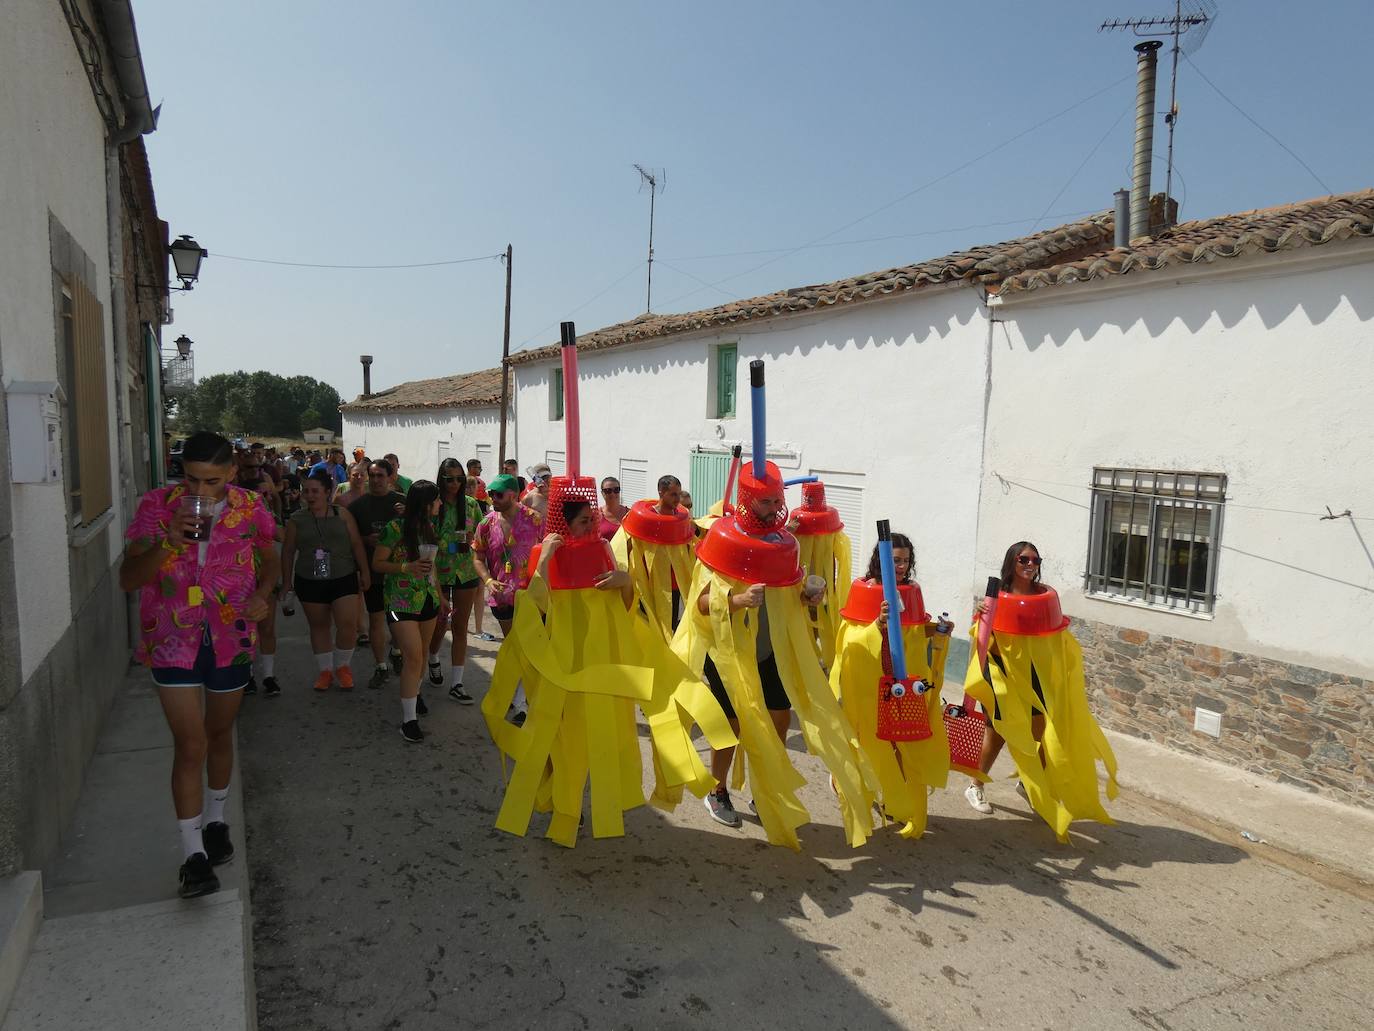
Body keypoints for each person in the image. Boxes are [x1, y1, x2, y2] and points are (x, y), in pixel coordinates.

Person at [119, 431, 279, 898]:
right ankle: (192, 858)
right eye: (191, 480)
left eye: (211, 482)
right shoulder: (156, 506)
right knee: (190, 745)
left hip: (229, 637)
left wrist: (262, 595)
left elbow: (270, 561)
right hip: (172, 639)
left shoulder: (251, 508)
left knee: (217, 734)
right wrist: (166, 544)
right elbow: (129, 579)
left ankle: (215, 820)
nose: (200, 493)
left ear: (231, 473)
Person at [960, 541, 1119, 839]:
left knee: (1041, 734)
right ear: (1012, 562)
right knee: (997, 735)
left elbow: (1055, 636)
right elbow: (983, 642)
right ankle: (975, 786)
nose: (1029, 564)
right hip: (1003, 674)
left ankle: (1031, 786)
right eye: (1023, 559)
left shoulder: (1045, 595)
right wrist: (983, 616)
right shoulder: (996, 597)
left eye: (1034, 559)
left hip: (1034, 675)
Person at [282, 470, 370, 691]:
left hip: (344, 577)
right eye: (306, 491)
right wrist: (286, 583)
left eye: (315, 491)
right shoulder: (296, 519)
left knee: (347, 625)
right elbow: (288, 551)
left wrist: (365, 572)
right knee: (319, 626)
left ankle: (342, 666)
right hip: (309, 580)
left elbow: (357, 544)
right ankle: (325, 671)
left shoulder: (342, 515)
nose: (309, 496)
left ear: (328, 492)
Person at [372, 481, 443, 743]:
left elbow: (431, 567)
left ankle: (416, 693)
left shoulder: (429, 527)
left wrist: (440, 594)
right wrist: (406, 567)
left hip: (427, 599)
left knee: (422, 655)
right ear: (426, 503)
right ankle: (408, 721)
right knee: (413, 657)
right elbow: (377, 563)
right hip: (401, 601)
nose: (440, 504)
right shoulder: (394, 528)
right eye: (436, 500)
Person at [471, 473, 543, 683]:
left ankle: (522, 699)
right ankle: (518, 697)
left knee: (528, 646)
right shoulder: (485, 524)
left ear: (513, 495)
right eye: (491, 494)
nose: (493, 498)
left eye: (498, 494)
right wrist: (488, 580)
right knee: (513, 644)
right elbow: (477, 558)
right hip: (501, 598)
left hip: (530, 596)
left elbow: (547, 553)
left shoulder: (535, 519)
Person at [426, 459, 484, 703]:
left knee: (460, 628)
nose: (455, 484)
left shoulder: (471, 505)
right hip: (438, 573)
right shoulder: (434, 505)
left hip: (465, 573)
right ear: (441, 479)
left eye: (459, 479)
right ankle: (432, 657)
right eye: (449, 479)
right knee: (439, 625)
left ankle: (457, 683)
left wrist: (474, 540)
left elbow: (481, 536)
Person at [347, 460, 406, 689]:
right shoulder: (358, 506)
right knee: (376, 619)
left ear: (390, 478)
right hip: (373, 572)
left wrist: (408, 516)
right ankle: (381, 666)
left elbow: (422, 530)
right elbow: (349, 539)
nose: (375, 480)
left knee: (399, 620)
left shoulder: (402, 502)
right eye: (372, 476)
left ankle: (398, 651)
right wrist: (365, 539)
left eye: (380, 476)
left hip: (400, 572)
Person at [235, 450, 283, 696]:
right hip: (237, 578)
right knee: (243, 628)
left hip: (264, 574)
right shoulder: (235, 508)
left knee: (266, 628)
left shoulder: (267, 512)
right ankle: (249, 675)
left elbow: (281, 537)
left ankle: (268, 675)